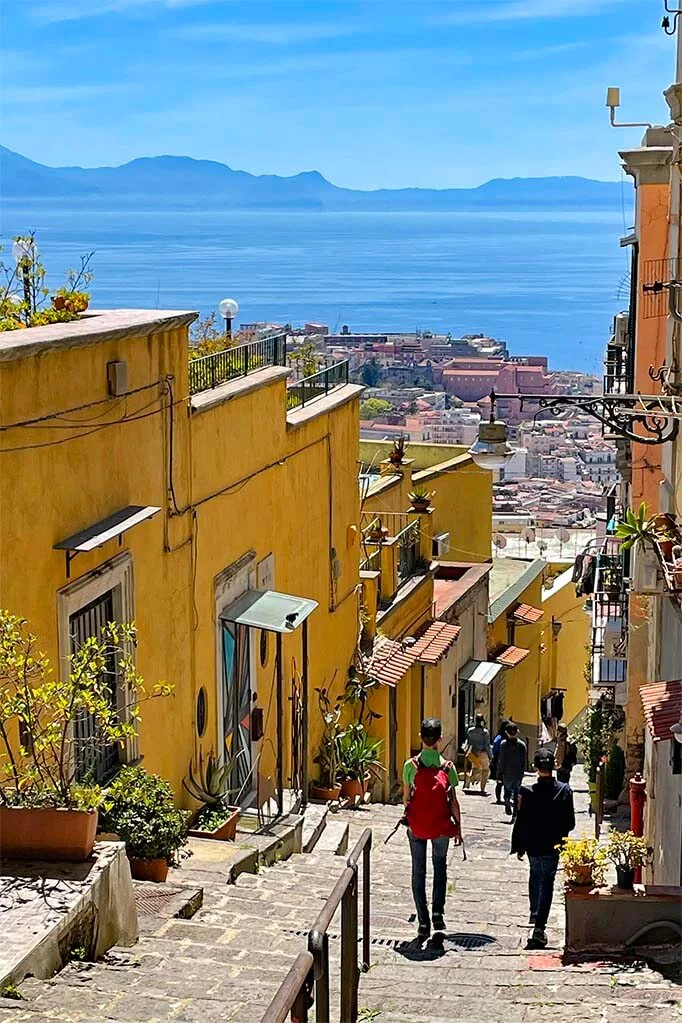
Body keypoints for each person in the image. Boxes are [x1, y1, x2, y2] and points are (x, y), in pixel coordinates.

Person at [403, 718, 462, 939]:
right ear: (439, 739)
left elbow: (406, 797)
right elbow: (454, 801)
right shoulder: (447, 767)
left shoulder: (411, 766)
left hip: (417, 826)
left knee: (418, 871)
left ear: (420, 737)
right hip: (441, 826)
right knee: (440, 867)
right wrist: (459, 828)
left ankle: (423, 921)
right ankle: (438, 912)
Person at [511, 747, 575, 949]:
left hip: (533, 844)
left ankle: (534, 912)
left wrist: (519, 844)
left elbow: (520, 820)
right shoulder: (565, 791)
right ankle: (539, 927)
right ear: (554, 766)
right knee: (547, 881)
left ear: (535, 768)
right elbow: (570, 823)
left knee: (535, 875)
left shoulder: (527, 792)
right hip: (553, 844)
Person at [497, 722, 527, 818]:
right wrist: (522, 772)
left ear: (506, 732)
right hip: (517, 772)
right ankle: (515, 815)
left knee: (507, 789)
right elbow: (524, 761)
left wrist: (499, 773)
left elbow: (501, 760)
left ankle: (506, 800)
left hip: (507, 772)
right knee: (516, 793)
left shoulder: (503, 744)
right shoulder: (522, 745)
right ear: (517, 732)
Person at [463, 714, 492, 793]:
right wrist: (490, 756)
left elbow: (468, 742)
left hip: (473, 753)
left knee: (475, 769)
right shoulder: (485, 732)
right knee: (485, 771)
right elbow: (487, 745)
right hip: (482, 753)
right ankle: (482, 788)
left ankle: (470, 778)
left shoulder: (470, 730)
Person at [490, 719, 510, 804]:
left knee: (499, 782)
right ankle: (506, 798)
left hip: (499, 762)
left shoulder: (498, 738)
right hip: (506, 763)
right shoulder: (509, 739)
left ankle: (499, 798)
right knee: (506, 782)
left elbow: (494, 750)